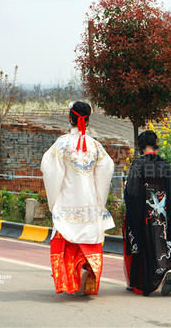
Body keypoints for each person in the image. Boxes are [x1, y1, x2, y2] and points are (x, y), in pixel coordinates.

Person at [41, 101, 115, 296]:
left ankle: (70, 279)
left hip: (68, 198)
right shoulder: (95, 146)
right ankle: (84, 270)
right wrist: (99, 197)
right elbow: (107, 168)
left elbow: (49, 169)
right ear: (88, 120)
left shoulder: (62, 144)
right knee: (89, 238)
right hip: (89, 200)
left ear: (69, 118)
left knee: (67, 238)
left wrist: (54, 199)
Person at [123, 130, 171, 296]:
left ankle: (146, 282)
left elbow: (132, 193)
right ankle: (167, 270)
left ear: (141, 146)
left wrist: (132, 215)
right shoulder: (166, 166)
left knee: (146, 247)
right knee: (163, 244)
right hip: (163, 212)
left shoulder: (138, 165)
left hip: (145, 214)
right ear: (156, 144)